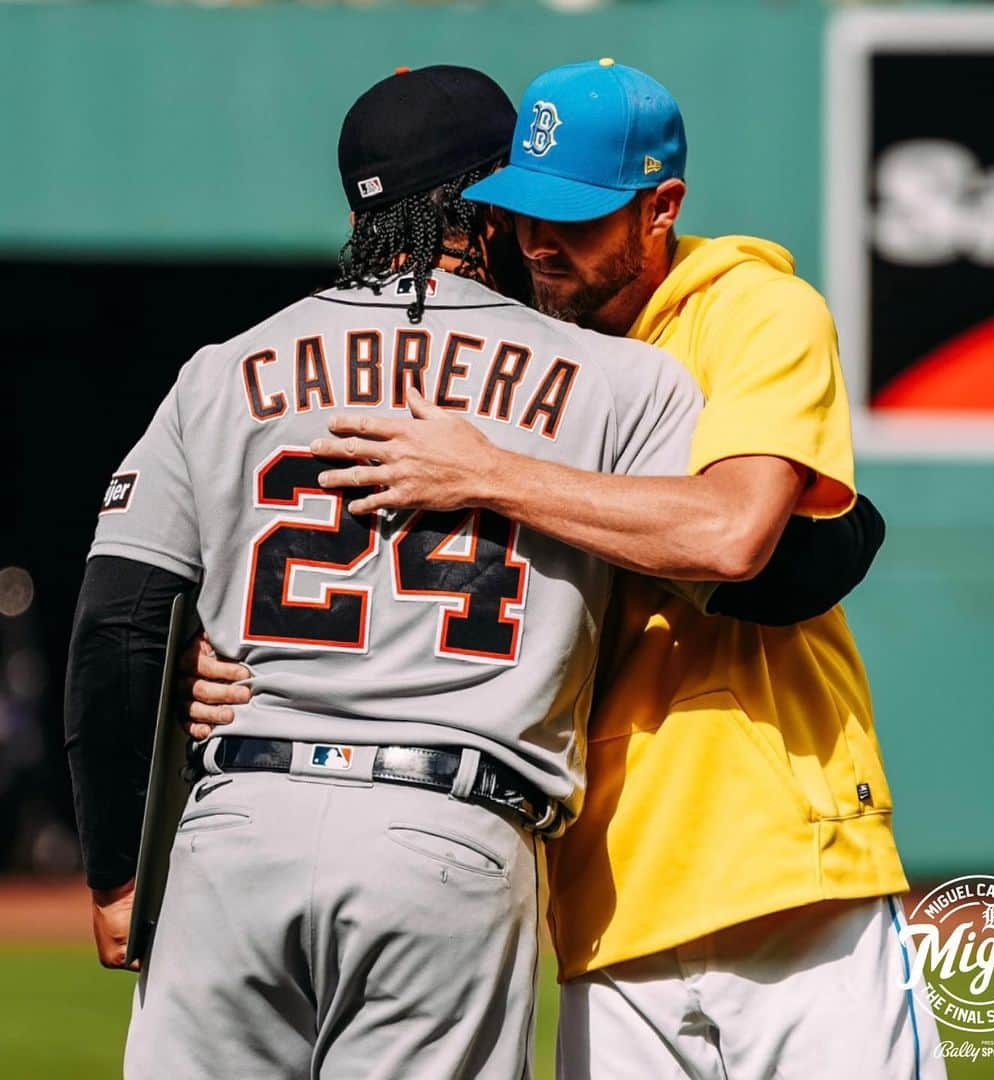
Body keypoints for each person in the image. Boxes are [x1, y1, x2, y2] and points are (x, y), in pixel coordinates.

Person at [285, 61, 944, 1078]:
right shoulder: (522, 352)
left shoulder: (753, 311)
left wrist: (495, 474)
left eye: (580, 217)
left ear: (660, 208)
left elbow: (733, 538)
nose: (543, 242)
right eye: (524, 211)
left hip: (783, 867)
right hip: (603, 901)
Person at [64, 65, 724, 1078]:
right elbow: (739, 563)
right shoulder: (622, 377)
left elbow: (119, 622)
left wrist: (118, 872)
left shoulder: (224, 366)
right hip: (450, 828)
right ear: (498, 204)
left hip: (235, 826)